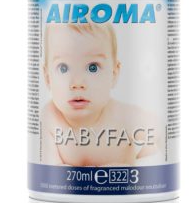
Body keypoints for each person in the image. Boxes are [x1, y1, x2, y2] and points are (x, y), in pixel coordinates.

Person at [41, 21, 164, 166]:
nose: (77, 83)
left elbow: (163, 133)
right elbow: (51, 171)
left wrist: (143, 163)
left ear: (114, 74)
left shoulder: (125, 116)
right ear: (47, 78)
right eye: (63, 68)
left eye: (93, 67)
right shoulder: (49, 120)